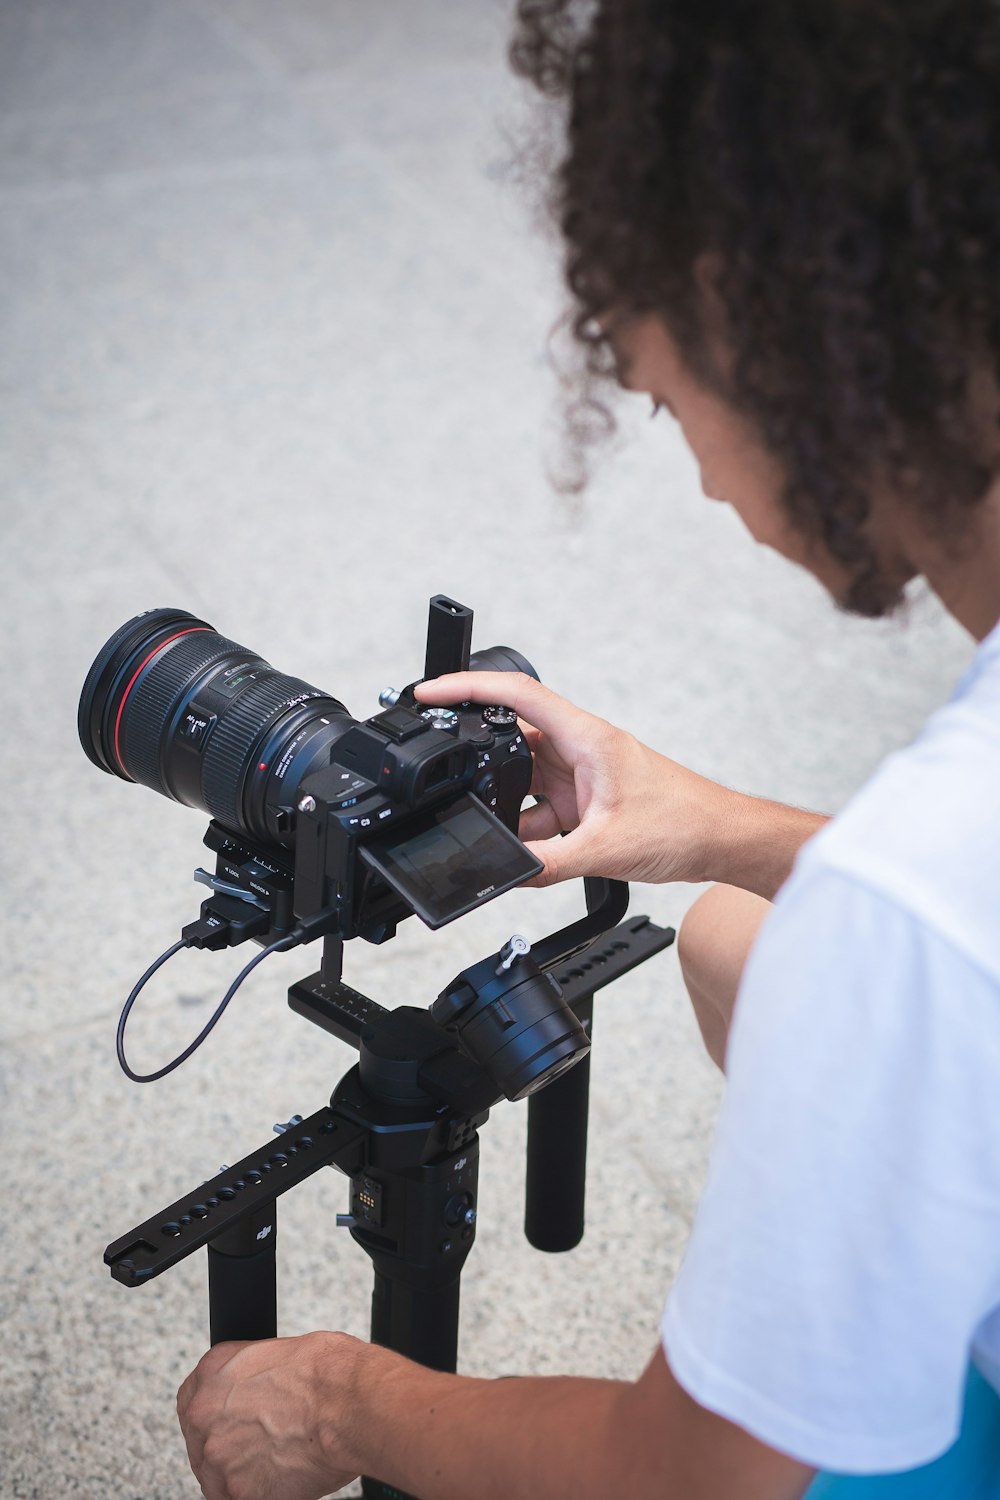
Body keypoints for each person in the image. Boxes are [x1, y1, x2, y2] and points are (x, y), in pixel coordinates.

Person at [175, 2, 1000, 1496]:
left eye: (669, 397)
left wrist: (343, 1404)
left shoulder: (915, 903)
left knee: (802, 971)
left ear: (795, 341)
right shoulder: (945, 858)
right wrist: (699, 824)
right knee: (739, 935)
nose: (696, 475)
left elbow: (679, 1477)